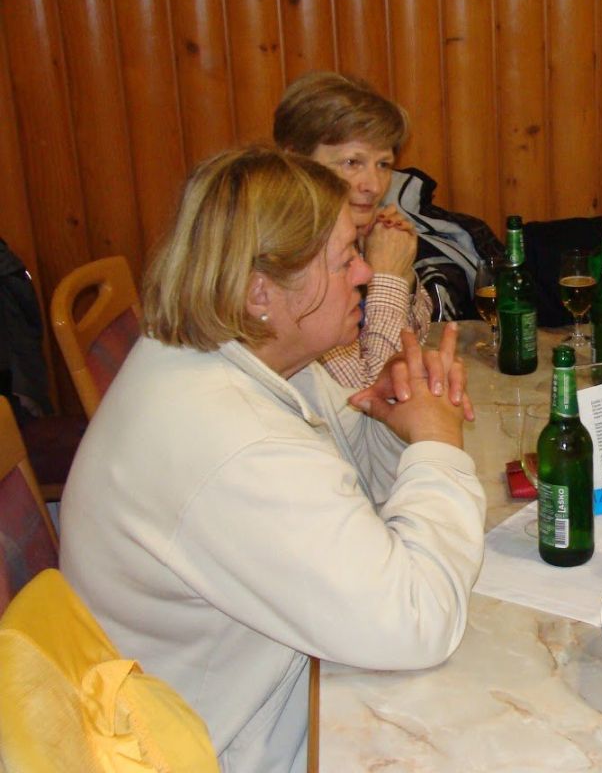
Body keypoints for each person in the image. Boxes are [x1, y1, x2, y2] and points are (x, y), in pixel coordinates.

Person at [58, 147, 486, 773]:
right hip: (213, 744)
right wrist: (438, 448)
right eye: (345, 259)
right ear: (261, 291)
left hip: (253, 685)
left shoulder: (244, 355)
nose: (367, 273)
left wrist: (400, 420)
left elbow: (352, 482)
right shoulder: (234, 444)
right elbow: (418, 623)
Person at [273, 71, 434, 388]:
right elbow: (368, 395)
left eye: (383, 164)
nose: (373, 185)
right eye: (351, 163)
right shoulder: (289, 257)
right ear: (295, 161)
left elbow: (413, 344)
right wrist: (386, 278)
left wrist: (402, 276)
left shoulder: (351, 233)